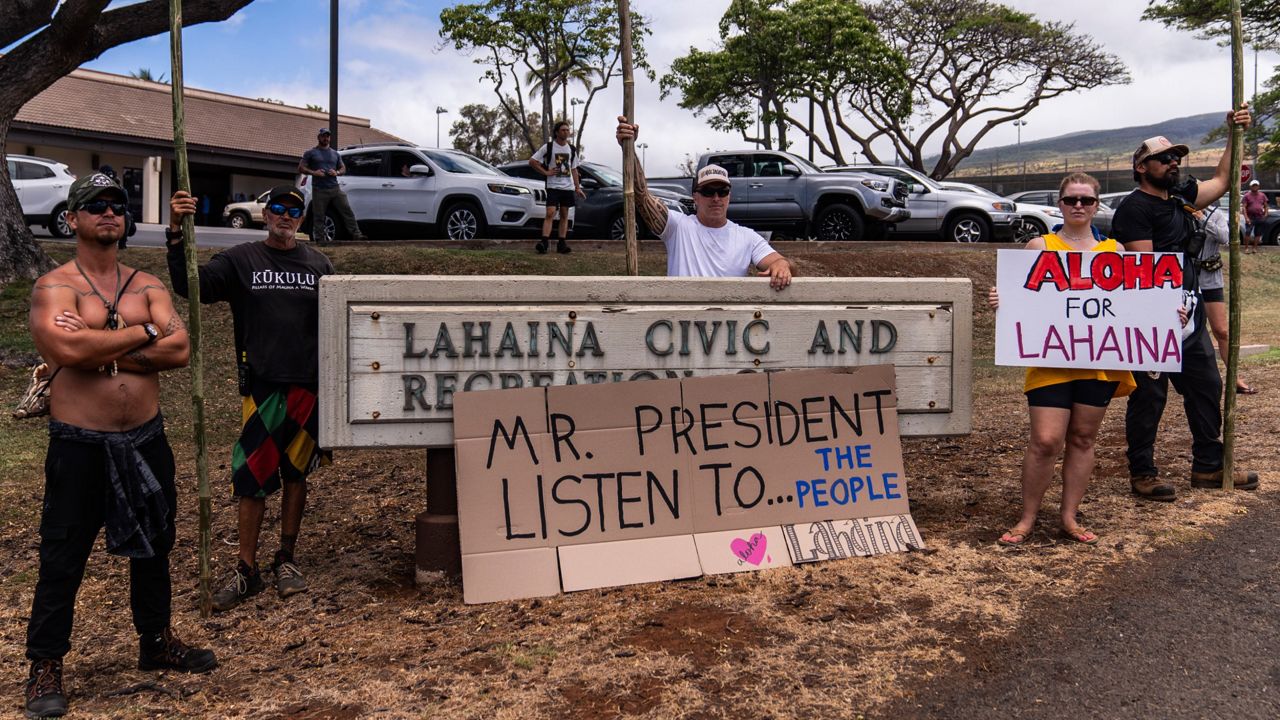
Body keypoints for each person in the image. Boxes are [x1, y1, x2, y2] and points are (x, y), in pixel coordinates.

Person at [25, 173, 216, 719]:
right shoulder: (54, 287)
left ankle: (155, 641)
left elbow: (180, 350)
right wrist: (144, 333)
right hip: (80, 444)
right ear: (73, 219)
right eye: (96, 206)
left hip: (146, 438)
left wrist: (100, 349)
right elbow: (65, 344)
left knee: (156, 544)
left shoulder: (148, 284)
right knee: (63, 554)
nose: (109, 213)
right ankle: (44, 666)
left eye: (117, 205)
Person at [165, 185, 334, 612]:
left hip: (308, 387)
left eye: (293, 210)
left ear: (301, 216)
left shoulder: (319, 264)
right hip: (262, 387)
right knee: (253, 476)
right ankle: (246, 569)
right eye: (276, 208)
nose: (284, 215)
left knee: (298, 473)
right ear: (265, 214)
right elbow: (193, 286)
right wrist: (175, 234)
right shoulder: (242, 259)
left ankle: (286, 558)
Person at [1111, 105, 1259, 501]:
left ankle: (1208, 465)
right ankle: (1143, 473)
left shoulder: (1179, 194)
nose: (1173, 162)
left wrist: (1233, 134)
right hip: (1153, 321)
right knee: (1150, 397)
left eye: (1176, 157)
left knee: (1207, 387)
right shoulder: (1134, 209)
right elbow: (1145, 272)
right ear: (1142, 167)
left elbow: (1224, 180)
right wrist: (1162, 312)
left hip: (1189, 318)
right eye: (1164, 158)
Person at [990, 174, 1147, 546]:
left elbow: (1133, 305)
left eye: (1087, 200)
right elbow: (1022, 301)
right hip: (1051, 357)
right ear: (1059, 204)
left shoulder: (1116, 251)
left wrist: (1170, 317)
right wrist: (1003, 301)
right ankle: (1027, 518)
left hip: (1099, 359)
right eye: (1071, 199)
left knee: (1083, 437)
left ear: (1097, 205)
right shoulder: (1039, 246)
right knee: (1045, 440)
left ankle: (1069, 517)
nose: (1079, 206)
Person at [614, 116, 793, 288]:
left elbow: (779, 261)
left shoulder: (748, 237)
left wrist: (782, 266)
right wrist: (629, 148)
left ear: (729, 196)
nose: (716, 198)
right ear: (695, 197)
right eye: (708, 191)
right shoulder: (677, 227)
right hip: (682, 318)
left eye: (722, 191)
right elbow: (641, 196)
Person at [1193, 205, 1256, 394]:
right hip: (1186, 277)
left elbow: (1225, 237)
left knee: (1221, 331)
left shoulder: (1216, 214)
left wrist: (1203, 218)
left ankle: (1234, 377)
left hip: (1210, 277)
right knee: (1188, 331)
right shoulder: (1181, 212)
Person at [298, 127, 365, 242]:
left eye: (327, 136)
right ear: (319, 137)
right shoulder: (311, 153)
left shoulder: (335, 154)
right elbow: (301, 167)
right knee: (319, 216)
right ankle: (319, 239)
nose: (326, 138)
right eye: (323, 136)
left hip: (335, 189)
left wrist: (337, 172)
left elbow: (343, 168)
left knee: (347, 211)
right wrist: (314, 173)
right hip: (319, 189)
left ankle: (357, 235)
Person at [529, 120, 584, 254]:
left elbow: (574, 169)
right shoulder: (548, 147)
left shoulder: (571, 149)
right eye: (563, 130)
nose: (566, 132)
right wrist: (546, 172)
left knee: (564, 214)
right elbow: (532, 161)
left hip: (568, 187)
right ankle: (544, 242)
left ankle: (562, 243)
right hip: (553, 186)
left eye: (567, 130)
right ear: (557, 132)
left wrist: (577, 188)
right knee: (550, 213)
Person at [1242, 179, 1267, 254]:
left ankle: (1254, 248)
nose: (1255, 187)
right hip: (1250, 217)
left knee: (1258, 233)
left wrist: (1265, 215)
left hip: (1260, 217)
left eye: (1256, 185)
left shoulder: (1262, 195)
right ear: (1250, 187)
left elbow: (1266, 206)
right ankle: (1246, 248)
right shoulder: (1247, 196)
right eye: (1253, 186)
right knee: (1248, 232)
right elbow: (1244, 207)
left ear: (1258, 186)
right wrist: (1246, 217)